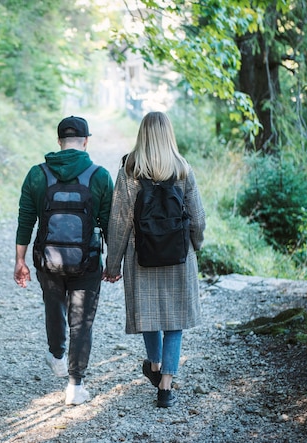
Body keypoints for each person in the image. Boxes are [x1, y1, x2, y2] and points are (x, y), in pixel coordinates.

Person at [102, 111, 205, 408]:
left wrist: (113, 264)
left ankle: (156, 366)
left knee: (149, 314)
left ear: (142, 135)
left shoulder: (129, 170)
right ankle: (166, 388)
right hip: (178, 256)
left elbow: (119, 221)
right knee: (175, 321)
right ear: (168, 135)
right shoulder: (183, 169)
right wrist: (194, 245)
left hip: (140, 254)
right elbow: (198, 218)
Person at [14, 116, 114, 406]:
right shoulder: (100, 176)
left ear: (59, 141)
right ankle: (75, 386)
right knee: (82, 321)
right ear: (86, 141)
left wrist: (19, 260)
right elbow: (108, 225)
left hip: (48, 260)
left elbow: (25, 221)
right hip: (88, 261)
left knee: (53, 304)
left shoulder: (37, 174)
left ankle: (57, 355)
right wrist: (113, 263)